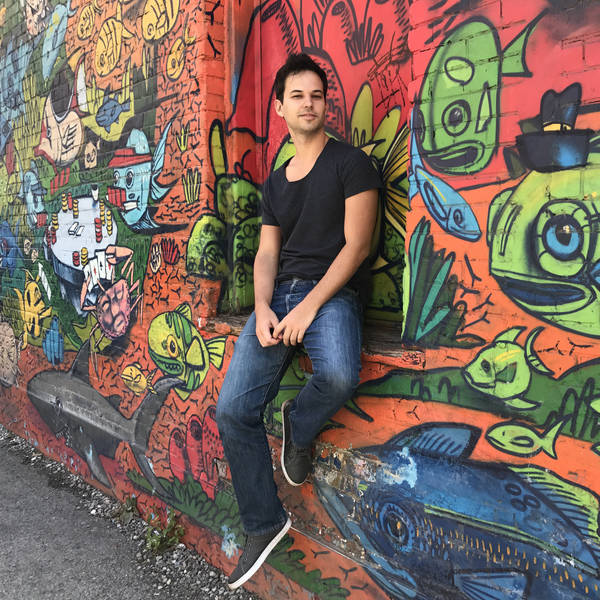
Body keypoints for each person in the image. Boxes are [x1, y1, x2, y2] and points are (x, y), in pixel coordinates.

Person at [216, 53, 380, 590]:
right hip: (279, 298)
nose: (309, 104)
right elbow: (267, 255)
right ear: (281, 106)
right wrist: (263, 308)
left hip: (330, 296)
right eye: (298, 96)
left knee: (336, 376)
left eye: (317, 95)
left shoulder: (351, 164)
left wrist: (309, 307)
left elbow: (357, 247)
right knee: (233, 411)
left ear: (325, 104)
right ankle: (263, 524)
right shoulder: (276, 182)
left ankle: (298, 424)